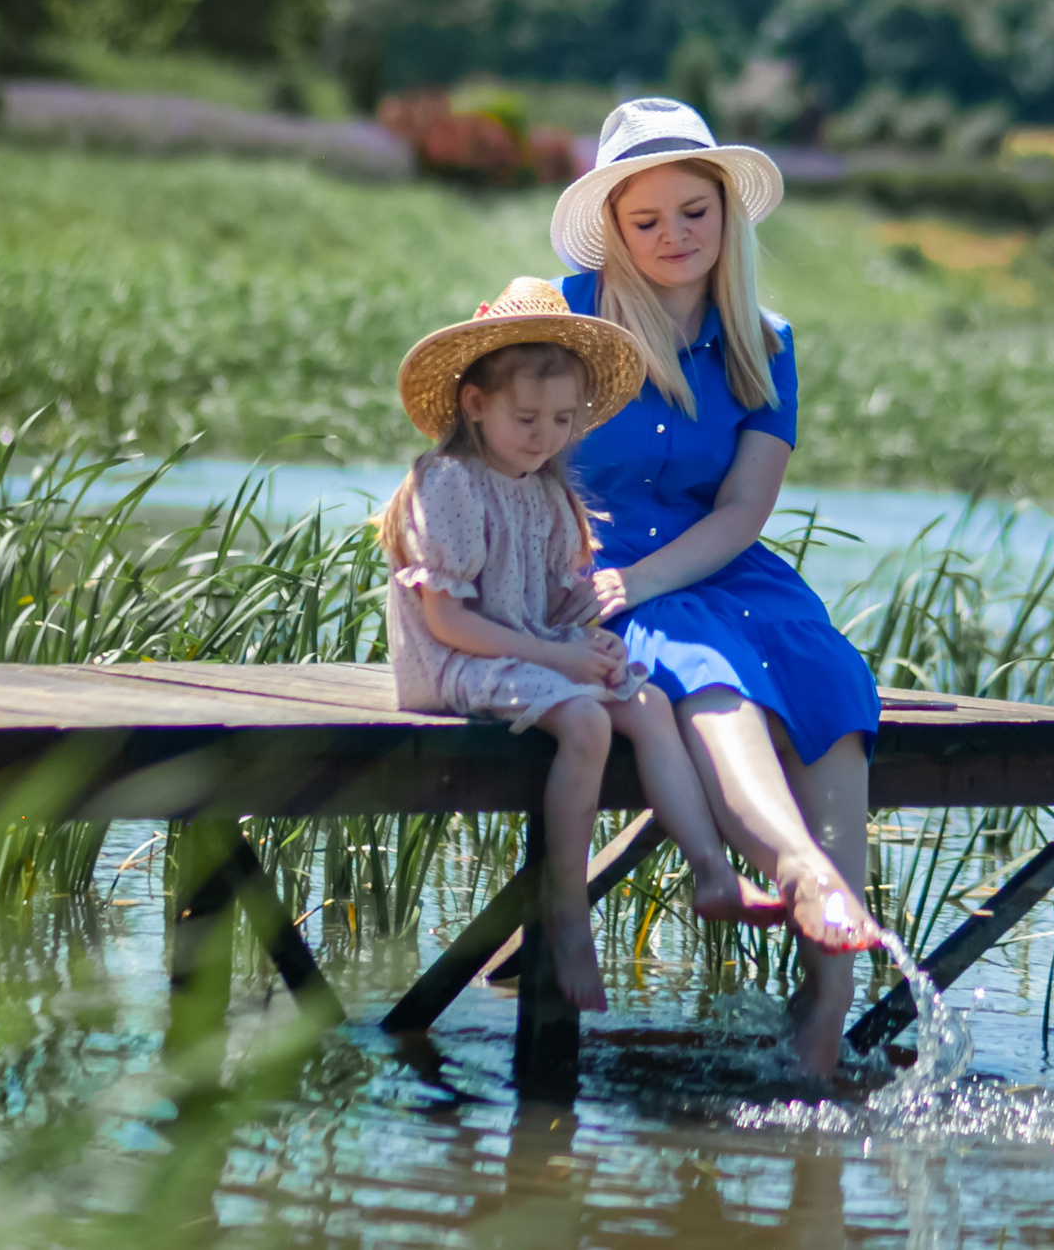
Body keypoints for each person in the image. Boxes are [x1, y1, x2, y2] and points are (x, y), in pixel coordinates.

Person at [550, 99, 886, 1077]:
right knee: (710, 678)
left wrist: (644, 580)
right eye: (645, 220)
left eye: (692, 211)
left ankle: (828, 991)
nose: (672, 235)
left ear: (725, 214)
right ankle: (796, 867)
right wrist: (606, 586)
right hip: (595, 567)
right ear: (613, 229)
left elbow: (744, 508)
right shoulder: (563, 314)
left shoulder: (764, 340)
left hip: (713, 559)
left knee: (828, 679)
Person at [380, 276, 786, 1013]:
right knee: (589, 719)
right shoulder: (448, 483)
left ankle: (712, 871)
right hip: (455, 664)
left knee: (646, 699)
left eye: (563, 419)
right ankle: (565, 915)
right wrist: (562, 660)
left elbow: (554, 604)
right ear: (477, 404)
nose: (545, 435)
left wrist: (589, 642)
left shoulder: (547, 491)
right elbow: (449, 623)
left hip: (525, 653)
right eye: (526, 416)